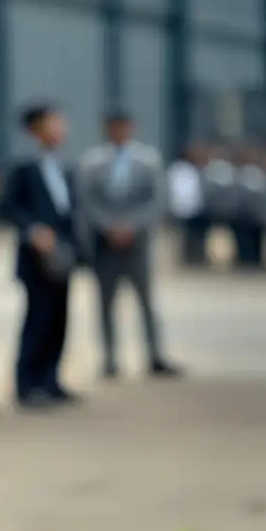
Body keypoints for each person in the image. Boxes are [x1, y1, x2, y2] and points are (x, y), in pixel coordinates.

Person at [76, 111, 182, 379]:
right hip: (105, 243)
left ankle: (154, 355)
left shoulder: (148, 160)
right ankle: (110, 357)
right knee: (105, 303)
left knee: (146, 301)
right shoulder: (92, 163)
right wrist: (109, 226)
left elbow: (157, 200)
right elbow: (87, 201)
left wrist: (132, 226)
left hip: (137, 242)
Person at [2, 104, 80, 408]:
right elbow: (9, 206)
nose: (61, 129)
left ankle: (50, 379)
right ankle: (27, 383)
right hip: (36, 255)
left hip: (62, 253)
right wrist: (33, 230)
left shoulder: (61, 164)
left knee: (60, 318)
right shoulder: (23, 165)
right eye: (54, 123)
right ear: (36, 129)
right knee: (38, 318)